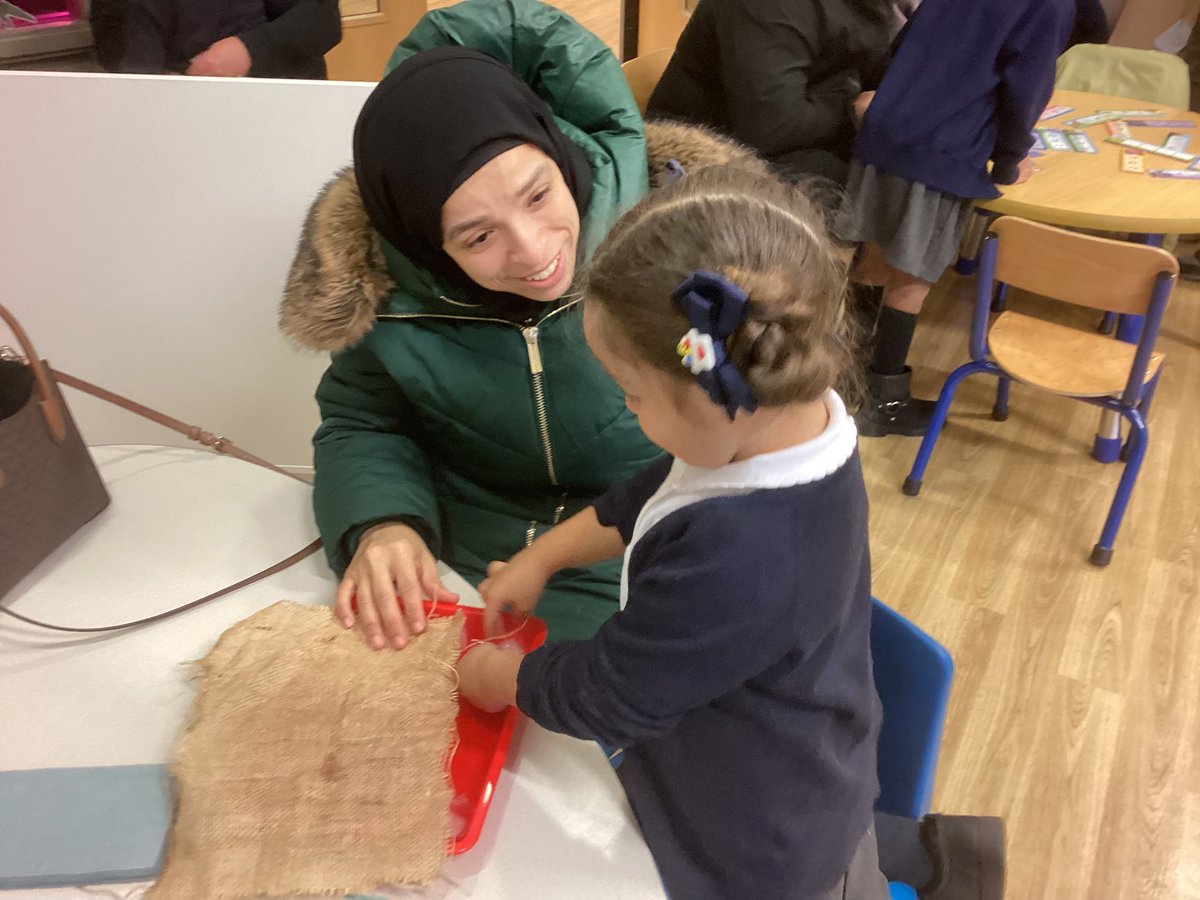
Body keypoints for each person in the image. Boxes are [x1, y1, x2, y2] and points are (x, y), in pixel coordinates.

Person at [278, 0, 766, 651]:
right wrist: (381, 523)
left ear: (559, 153)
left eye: (538, 195)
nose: (535, 253)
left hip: (641, 541)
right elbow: (365, 420)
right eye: (478, 236)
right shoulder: (387, 284)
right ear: (423, 242)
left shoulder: (681, 237)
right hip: (458, 554)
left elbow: (763, 424)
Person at [456, 164, 886, 900]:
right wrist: (543, 557)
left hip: (754, 844)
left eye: (632, 393)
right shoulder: (785, 427)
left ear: (716, 397)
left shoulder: (744, 556)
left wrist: (503, 678)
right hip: (793, 745)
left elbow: (612, 694)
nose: (627, 411)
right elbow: (654, 490)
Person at [838, 0, 1077, 437]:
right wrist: (1009, 162)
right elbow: (1027, 88)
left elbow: (907, 41)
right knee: (913, 274)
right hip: (941, 149)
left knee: (873, 255)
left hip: (886, 128)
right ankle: (882, 402)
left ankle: (841, 381)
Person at [645, 0, 892, 185]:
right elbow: (773, 129)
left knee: (889, 174)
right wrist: (850, 102)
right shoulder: (770, 6)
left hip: (794, 134)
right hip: (707, 155)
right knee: (871, 190)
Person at [90, 0, 341, 78]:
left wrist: (250, 50)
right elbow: (111, 35)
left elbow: (323, 21)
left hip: (277, 107)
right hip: (175, 119)